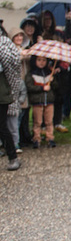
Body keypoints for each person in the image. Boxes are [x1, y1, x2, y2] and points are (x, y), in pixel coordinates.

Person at [0, 31, 23, 170]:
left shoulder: (3, 46)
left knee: (2, 127)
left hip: (1, 95)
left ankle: (13, 157)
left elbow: (8, 67)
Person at [25, 55, 59, 148]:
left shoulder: (49, 73)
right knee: (37, 121)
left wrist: (53, 80)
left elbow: (56, 86)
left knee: (49, 121)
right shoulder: (32, 73)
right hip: (37, 101)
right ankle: (36, 138)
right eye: (39, 60)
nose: (41, 62)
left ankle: (50, 138)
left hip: (49, 101)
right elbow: (29, 86)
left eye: (44, 60)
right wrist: (41, 88)